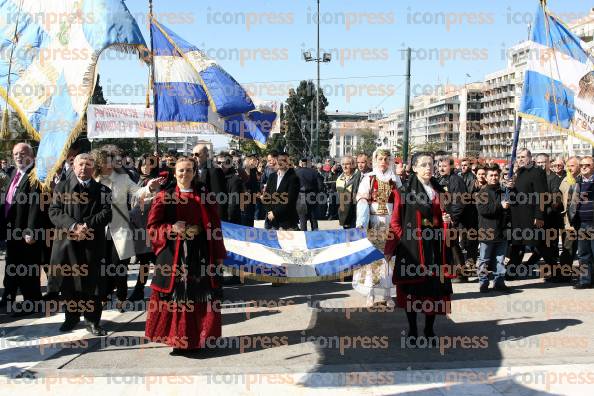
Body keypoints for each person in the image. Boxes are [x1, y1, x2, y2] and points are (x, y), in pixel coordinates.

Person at [145, 157, 227, 355]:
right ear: (175, 173)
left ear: (194, 172)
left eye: (189, 170)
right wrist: (171, 228)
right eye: (181, 170)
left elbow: (215, 225)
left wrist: (217, 253)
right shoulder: (164, 196)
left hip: (200, 253)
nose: (185, 174)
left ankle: (197, 340)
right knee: (177, 299)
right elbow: (152, 227)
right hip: (174, 256)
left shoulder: (204, 196)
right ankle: (178, 341)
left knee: (199, 297)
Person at [384, 152, 453, 347]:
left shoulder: (439, 191)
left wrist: (446, 222)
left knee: (433, 291)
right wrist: (402, 242)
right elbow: (396, 222)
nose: (428, 168)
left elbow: (442, 219)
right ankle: (413, 329)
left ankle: (429, 329)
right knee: (413, 292)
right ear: (414, 168)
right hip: (412, 249)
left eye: (431, 164)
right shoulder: (403, 192)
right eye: (423, 165)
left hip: (434, 249)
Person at [49, 153, 112, 335]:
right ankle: (71, 317)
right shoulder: (62, 187)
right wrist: (73, 226)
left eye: (88, 164)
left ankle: (92, 321)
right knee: (69, 283)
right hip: (67, 243)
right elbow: (54, 211)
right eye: (80, 164)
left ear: (94, 168)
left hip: (92, 244)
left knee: (92, 283)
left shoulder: (104, 191)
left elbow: (107, 213)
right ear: (74, 167)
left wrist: (87, 226)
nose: (84, 168)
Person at [93, 146, 162, 311]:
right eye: (105, 162)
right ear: (98, 163)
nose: (109, 165)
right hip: (98, 231)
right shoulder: (94, 180)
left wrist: (149, 188)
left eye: (111, 161)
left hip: (120, 230)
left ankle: (122, 297)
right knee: (102, 266)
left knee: (119, 267)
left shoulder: (123, 179)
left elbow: (138, 192)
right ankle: (102, 296)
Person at [354, 148, 401, 306]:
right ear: (375, 160)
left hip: (390, 224)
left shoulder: (395, 179)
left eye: (386, 159)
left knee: (389, 258)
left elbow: (401, 203)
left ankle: (387, 294)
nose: (383, 162)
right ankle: (371, 293)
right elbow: (361, 197)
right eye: (380, 159)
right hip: (373, 223)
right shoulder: (369, 178)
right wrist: (362, 214)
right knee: (373, 258)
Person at [0, 143, 44, 313]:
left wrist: (31, 230)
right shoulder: (14, 173)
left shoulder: (35, 176)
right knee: (12, 265)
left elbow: (35, 205)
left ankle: (32, 303)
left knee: (28, 269)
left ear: (31, 156)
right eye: (15, 153)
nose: (18, 156)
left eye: (22, 153)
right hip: (12, 230)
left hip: (26, 232)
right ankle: (8, 296)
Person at [504, 149, 551, 280]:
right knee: (517, 244)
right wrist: (511, 187)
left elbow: (542, 195)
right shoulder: (519, 172)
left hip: (531, 215)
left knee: (539, 244)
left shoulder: (537, 171)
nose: (520, 159)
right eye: (518, 157)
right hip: (518, 215)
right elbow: (517, 194)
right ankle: (511, 271)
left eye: (523, 157)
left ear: (530, 158)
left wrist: (539, 216)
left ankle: (556, 269)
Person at [128, 154, 160, 301]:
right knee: (144, 260)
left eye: (149, 165)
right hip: (138, 225)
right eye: (143, 165)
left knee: (156, 258)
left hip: (153, 225)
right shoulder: (137, 179)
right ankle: (140, 290)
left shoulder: (159, 180)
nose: (146, 167)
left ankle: (164, 287)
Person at [476, 164, 511, 293]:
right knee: (484, 259)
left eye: (496, 175)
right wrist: (500, 206)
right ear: (486, 177)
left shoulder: (504, 191)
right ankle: (483, 282)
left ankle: (499, 282)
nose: (494, 177)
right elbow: (484, 210)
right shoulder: (482, 192)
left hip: (502, 231)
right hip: (487, 231)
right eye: (491, 175)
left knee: (500, 260)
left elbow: (509, 210)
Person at [437, 156, 468, 282]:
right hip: (444, 218)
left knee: (454, 246)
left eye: (444, 166)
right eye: (439, 166)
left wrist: (453, 218)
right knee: (448, 246)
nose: (441, 169)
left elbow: (459, 201)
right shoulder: (441, 180)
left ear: (451, 167)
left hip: (453, 219)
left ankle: (461, 274)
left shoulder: (456, 180)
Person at [568, 156, 594, 289]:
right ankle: (585, 280)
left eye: (587, 165)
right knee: (583, 254)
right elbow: (571, 203)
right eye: (582, 165)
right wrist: (573, 220)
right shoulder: (576, 183)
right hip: (582, 224)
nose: (584, 167)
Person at [263, 152, 300, 230]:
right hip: (273, 221)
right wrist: (270, 212)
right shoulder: (272, 176)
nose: (281, 162)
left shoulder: (293, 178)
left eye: (284, 160)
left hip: (287, 222)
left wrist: (275, 213)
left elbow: (290, 200)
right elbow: (266, 197)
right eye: (279, 160)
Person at [558, 156, 580, 283]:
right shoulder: (565, 181)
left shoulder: (583, 180)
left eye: (572, 165)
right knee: (568, 249)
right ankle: (565, 275)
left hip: (583, 220)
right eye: (568, 166)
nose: (569, 168)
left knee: (584, 250)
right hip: (568, 222)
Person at [192, 144, 227, 220]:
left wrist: (218, 219)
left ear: (206, 155)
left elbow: (219, 197)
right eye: (192, 154)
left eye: (197, 154)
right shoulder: (193, 170)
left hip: (210, 215)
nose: (194, 157)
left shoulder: (214, 170)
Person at [295, 158, 322, 231]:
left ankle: (303, 238)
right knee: (313, 219)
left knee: (302, 221)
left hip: (300, 197)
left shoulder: (296, 172)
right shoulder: (314, 172)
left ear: (301, 163)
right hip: (312, 197)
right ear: (308, 163)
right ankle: (316, 237)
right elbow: (320, 186)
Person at [336, 156, 362, 229]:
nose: (345, 166)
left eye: (347, 164)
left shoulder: (359, 176)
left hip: (356, 213)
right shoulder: (339, 179)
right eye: (343, 164)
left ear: (352, 164)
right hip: (344, 214)